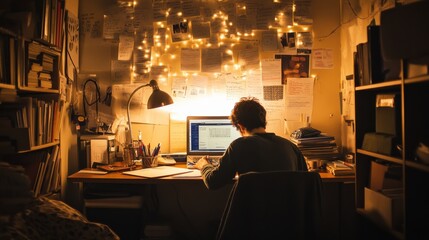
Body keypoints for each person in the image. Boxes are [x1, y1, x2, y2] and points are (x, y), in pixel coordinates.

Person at [194, 97, 308, 190]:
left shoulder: (239, 146)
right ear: (264, 122)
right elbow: (305, 182)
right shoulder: (291, 147)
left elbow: (213, 182)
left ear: (241, 127)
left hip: (254, 215)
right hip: (289, 215)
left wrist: (203, 165)